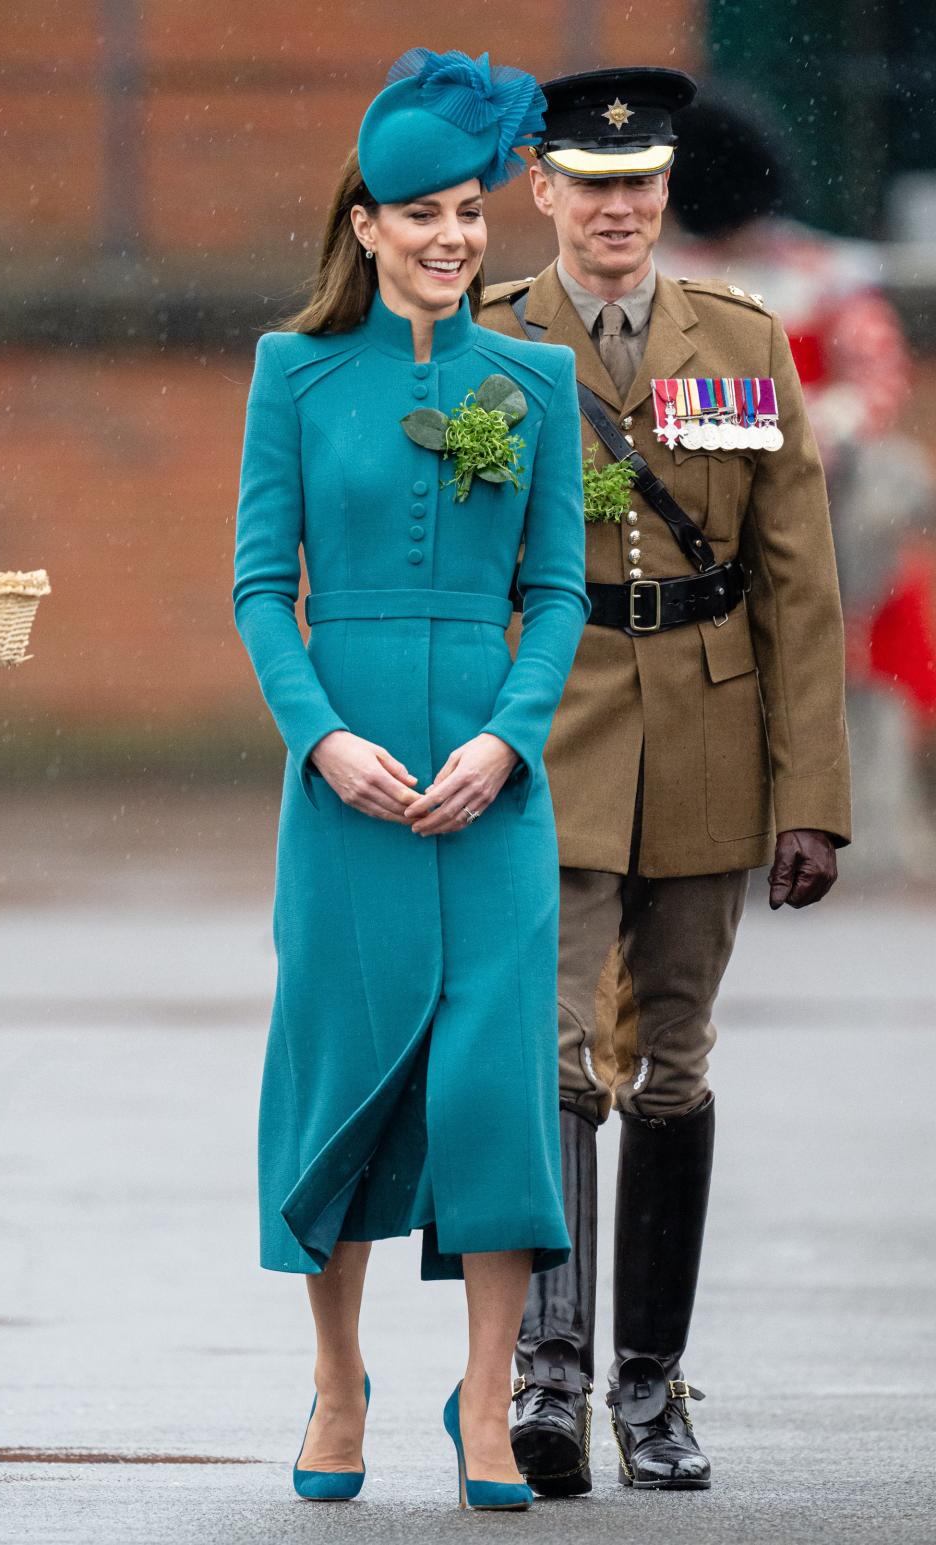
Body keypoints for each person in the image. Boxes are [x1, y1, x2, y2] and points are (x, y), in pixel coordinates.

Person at [480, 66, 851, 1495]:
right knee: (561, 1047)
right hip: (553, 728)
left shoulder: (738, 341)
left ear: (665, 194)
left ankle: (651, 1384)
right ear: (546, 192)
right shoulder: (493, 344)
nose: (618, 209)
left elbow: (798, 582)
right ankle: (552, 1375)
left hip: (707, 727)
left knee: (675, 1060)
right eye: (592, 183)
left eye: (640, 186)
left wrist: (809, 791)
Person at [232, 47, 590, 1511]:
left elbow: (559, 588)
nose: (453, 235)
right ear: (365, 226)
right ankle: (338, 1379)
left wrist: (511, 736)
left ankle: (489, 1404)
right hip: (346, 786)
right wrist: (320, 736)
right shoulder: (293, 371)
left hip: (494, 787)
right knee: (344, 1083)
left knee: (497, 1091)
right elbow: (263, 586)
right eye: (420, 213)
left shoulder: (539, 381)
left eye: (468, 210)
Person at [662, 93, 936, 880]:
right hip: (716, 507)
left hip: (828, 496)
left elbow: (878, 380)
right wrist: (774, 426)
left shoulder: (825, 275)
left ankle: (867, 836)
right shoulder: (667, 280)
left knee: (858, 674)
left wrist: (818, 430)